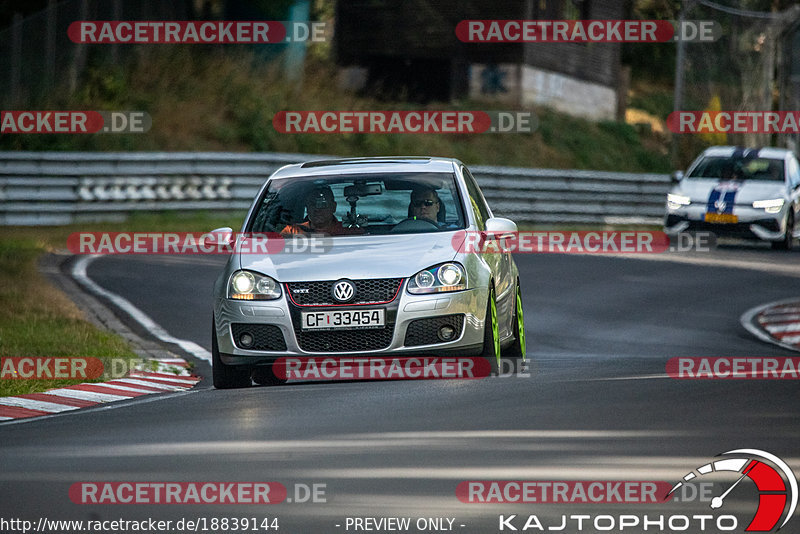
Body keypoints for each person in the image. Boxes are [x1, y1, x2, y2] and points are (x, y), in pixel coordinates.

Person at [281, 185, 355, 236]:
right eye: (312, 204)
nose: (317, 210)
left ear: (333, 207)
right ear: (307, 207)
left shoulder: (349, 231)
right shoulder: (292, 232)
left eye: (323, 205)